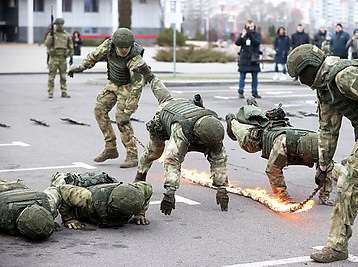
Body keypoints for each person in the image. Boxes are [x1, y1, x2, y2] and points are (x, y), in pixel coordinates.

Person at [286, 44, 358, 263]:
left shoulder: (344, 76)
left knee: (349, 180)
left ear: (310, 67)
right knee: (353, 182)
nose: (301, 80)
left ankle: (337, 245)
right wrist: (323, 166)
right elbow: (328, 129)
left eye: (301, 74)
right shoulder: (325, 88)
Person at [131, 62, 230, 215]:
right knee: (154, 153)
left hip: (185, 107)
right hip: (166, 116)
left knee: (164, 95)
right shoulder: (181, 131)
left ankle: (148, 74)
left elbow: (219, 159)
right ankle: (140, 176)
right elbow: (171, 160)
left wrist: (222, 189)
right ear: (198, 138)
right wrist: (170, 192)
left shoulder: (214, 131)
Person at [225, 99, 333, 205]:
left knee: (326, 168)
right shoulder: (283, 144)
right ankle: (232, 122)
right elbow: (272, 169)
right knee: (248, 143)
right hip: (264, 137)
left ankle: (254, 107)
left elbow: (328, 169)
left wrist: (324, 195)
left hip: (283, 129)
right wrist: (283, 196)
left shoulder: (322, 147)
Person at [68, 28, 146, 168]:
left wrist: (128, 112)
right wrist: (81, 67)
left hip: (127, 86)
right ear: (115, 45)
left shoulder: (135, 58)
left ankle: (132, 155)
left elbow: (137, 86)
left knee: (121, 119)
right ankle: (110, 148)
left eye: (126, 47)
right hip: (113, 83)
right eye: (121, 47)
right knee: (99, 109)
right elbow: (94, 56)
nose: (123, 50)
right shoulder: (108, 46)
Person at [45, 171, 153, 229]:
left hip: (106, 184)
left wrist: (140, 213)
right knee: (59, 182)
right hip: (84, 189)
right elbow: (63, 191)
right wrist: (69, 218)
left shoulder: (139, 191)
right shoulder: (88, 198)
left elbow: (147, 186)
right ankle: (63, 176)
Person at [44, 18, 73, 98]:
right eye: (58, 24)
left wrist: (71, 57)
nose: (60, 26)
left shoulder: (66, 35)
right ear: (56, 25)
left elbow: (70, 46)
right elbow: (46, 44)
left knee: (63, 76)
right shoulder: (52, 34)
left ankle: (64, 91)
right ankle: (50, 92)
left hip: (63, 58)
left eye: (61, 24)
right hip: (54, 58)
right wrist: (51, 36)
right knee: (51, 77)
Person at [235, 20, 262, 99]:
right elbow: (237, 43)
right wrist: (242, 36)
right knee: (242, 77)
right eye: (249, 27)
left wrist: (251, 36)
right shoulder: (243, 35)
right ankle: (241, 91)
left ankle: (254, 92)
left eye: (252, 27)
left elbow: (257, 43)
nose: (250, 28)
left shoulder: (257, 35)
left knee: (255, 77)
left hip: (254, 58)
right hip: (244, 59)